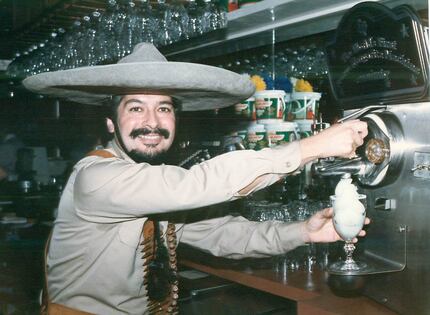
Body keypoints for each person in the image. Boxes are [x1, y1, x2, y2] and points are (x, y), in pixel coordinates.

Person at [23, 43, 368, 315]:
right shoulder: (97, 178)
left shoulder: (154, 185)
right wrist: (312, 146)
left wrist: (304, 231)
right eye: (135, 108)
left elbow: (224, 235)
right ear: (111, 122)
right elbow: (195, 185)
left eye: (164, 108)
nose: (152, 122)